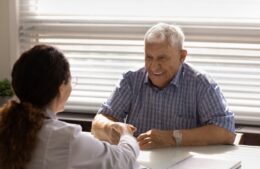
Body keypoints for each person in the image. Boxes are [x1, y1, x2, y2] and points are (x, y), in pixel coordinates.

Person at [91, 23, 236, 150]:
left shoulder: (202, 84)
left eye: (162, 58)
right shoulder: (130, 79)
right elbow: (98, 122)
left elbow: (226, 131)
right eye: (149, 57)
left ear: (182, 57)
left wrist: (172, 138)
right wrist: (110, 128)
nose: (154, 67)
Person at [0, 45, 139, 169]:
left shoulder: (6, 125)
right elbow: (124, 161)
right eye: (71, 81)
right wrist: (126, 134)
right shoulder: (64, 138)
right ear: (61, 88)